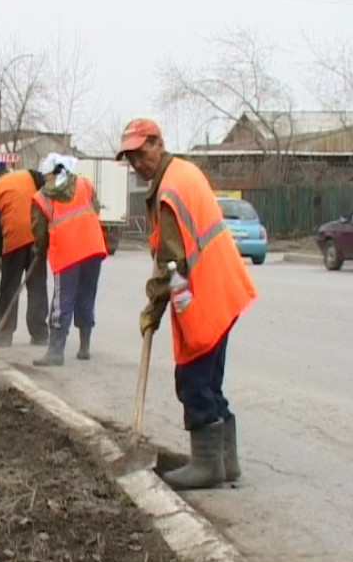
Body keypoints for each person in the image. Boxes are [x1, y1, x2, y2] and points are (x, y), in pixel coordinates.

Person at [116, 118, 258, 490]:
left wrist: (152, 309)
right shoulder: (184, 172)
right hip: (225, 289)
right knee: (211, 382)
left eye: (140, 152)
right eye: (130, 157)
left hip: (204, 298)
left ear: (158, 143)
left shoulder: (169, 192)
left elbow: (170, 267)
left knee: (194, 382)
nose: (136, 163)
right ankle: (227, 462)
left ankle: (208, 465)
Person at [31, 153, 107, 366]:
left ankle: (56, 351)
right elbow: (95, 209)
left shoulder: (44, 195)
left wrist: (40, 249)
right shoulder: (85, 184)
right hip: (92, 248)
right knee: (86, 295)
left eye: (44, 176)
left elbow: (38, 229)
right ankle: (84, 347)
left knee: (61, 301)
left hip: (67, 252)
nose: (44, 180)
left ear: (49, 174)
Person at [0, 161, 49, 347]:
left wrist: (0, 254)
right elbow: (47, 187)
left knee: (9, 289)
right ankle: (40, 334)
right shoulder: (28, 175)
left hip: (14, 240)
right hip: (37, 237)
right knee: (37, 287)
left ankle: (4, 333)